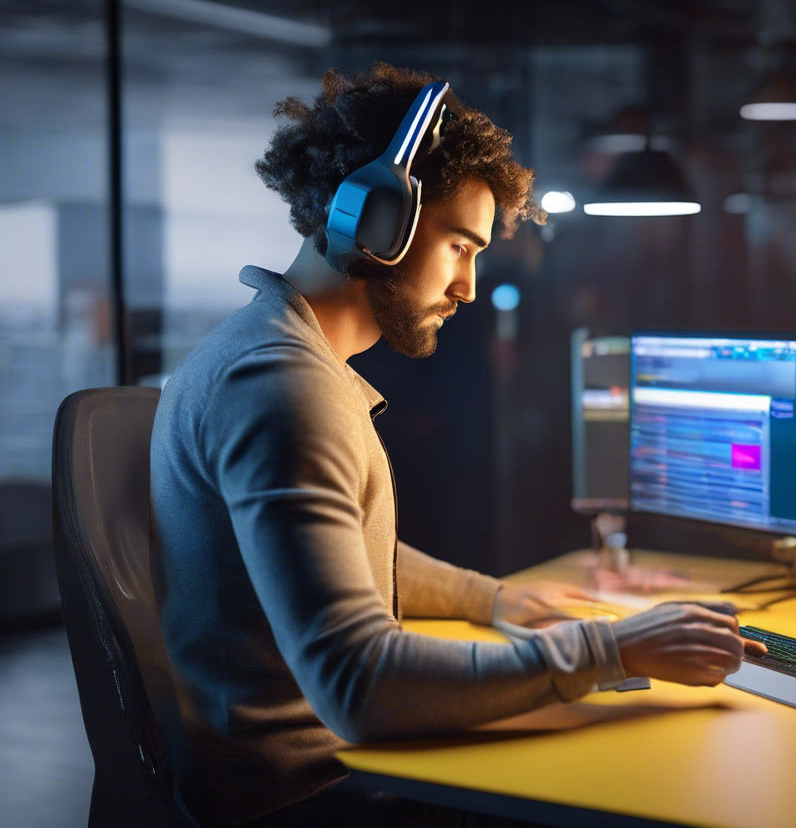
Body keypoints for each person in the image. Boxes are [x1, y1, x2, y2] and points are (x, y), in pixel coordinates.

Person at [149, 63, 764, 827]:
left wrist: (491, 598)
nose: (469, 287)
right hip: (306, 796)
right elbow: (359, 685)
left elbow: (328, 551)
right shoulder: (282, 388)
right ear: (377, 222)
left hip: (318, 773)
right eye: (460, 247)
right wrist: (612, 653)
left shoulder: (271, 356)